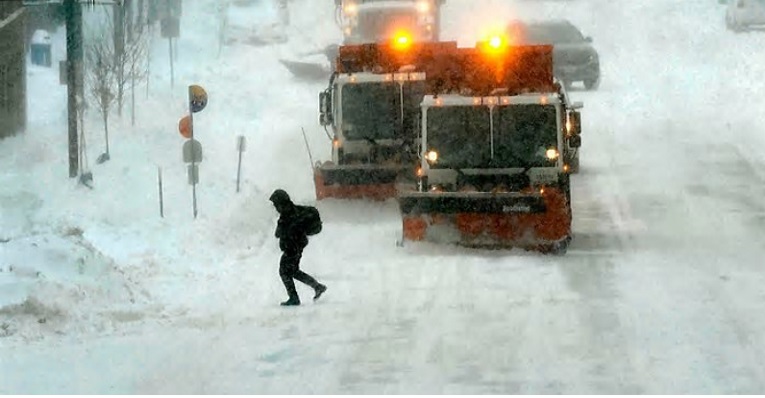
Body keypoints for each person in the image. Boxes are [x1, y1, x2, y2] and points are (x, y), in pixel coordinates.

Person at [269, 189, 327, 306]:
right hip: (296, 247)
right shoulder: (293, 211)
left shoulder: (288, 215)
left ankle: (294, 298)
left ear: (281, 203)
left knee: (284, 272)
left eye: (276, 204)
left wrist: (284, 228)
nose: (275, 207)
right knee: (293, 271)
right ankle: (317, 286)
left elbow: (279, 233)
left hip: (292, 248)